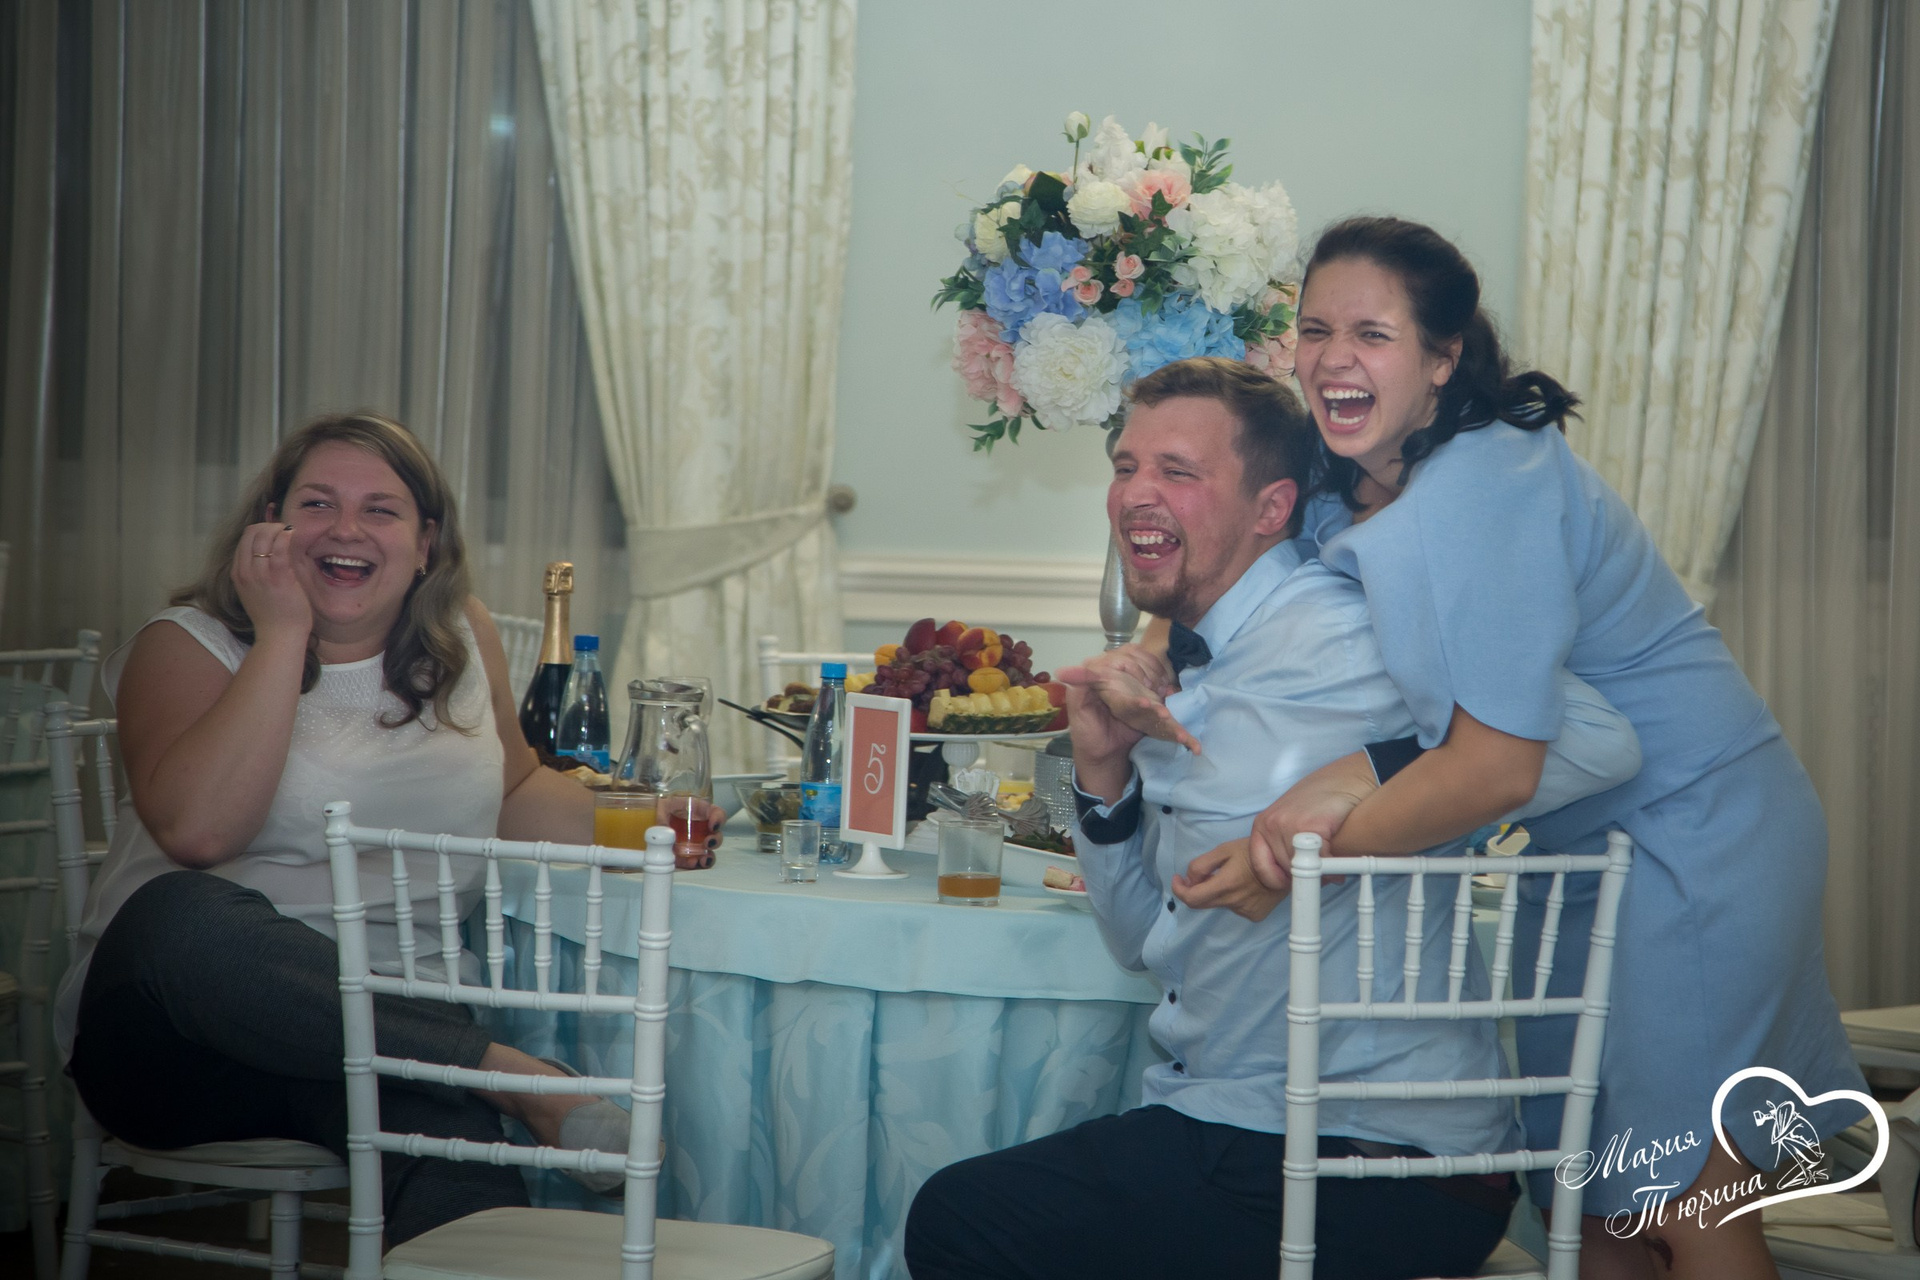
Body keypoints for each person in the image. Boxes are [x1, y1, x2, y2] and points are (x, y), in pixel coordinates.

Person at [1173, 218, 1866, 1279]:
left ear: (1443, 358)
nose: (1333, 358)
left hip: (1696, 833)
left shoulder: (1483, 482)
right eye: (1314, 330)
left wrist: (1294, 857)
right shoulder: (1349, 472)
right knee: (1593, 1203)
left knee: (1686, 1194)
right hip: (1579, 849)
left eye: (1372, 333)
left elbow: (1498, 765)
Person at [904, 359, 1642, 1280]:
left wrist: (1358, 777)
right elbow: (1141, 945)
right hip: (1233, 1122)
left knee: (964, 1220)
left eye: (1178, 471)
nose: (1136, 492)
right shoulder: (1187, 670)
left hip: (1374, 1157)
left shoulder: (1348, 629)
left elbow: (1600, 739)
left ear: (1272, 508)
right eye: (1127, 466)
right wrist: (1102, 775)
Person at [51, 413, 721, 1244]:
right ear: (271, 523)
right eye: (317, 503)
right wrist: (283, 631)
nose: (346, 529)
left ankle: (473, 1081)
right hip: (180, 1042)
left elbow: (513, 787)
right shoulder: (188, 645)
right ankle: (510, 1077)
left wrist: (649, 825)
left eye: (380, 509)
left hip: (389, 1043)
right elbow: (199, 835)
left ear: (425, 542)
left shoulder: (463, 636)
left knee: (452, 1171)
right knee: (179, 912)